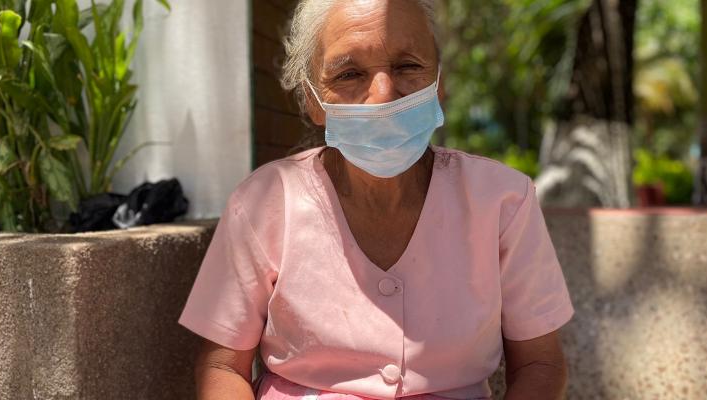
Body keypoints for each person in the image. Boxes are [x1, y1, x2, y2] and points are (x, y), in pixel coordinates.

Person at [178, 0, 575, 398]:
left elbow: (540, 363)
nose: (383, 94)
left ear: (440, 83)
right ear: (314, 100)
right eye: (349, 73)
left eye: (407, 66)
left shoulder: (504, 201)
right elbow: (221, 365)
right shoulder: (263, 203)